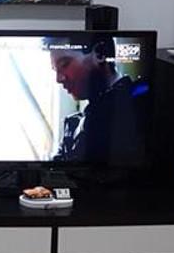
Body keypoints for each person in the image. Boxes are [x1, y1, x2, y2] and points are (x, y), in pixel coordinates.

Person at [47, 36, 147, 165]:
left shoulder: (140, 104)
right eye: (56, 70)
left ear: (100, 53)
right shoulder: (73, 124)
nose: (59, 79)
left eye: (64, 64)